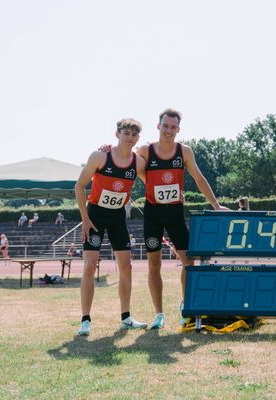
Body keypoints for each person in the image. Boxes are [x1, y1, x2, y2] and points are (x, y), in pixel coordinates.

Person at [137, 108, 229, 329]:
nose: (169, 130)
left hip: (175, 213)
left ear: (178, 129)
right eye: (165, 126)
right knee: (154, 264)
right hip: (153, 214)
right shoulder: (145, 151)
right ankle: (159, 314)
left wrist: (215, 205)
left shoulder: (184, 152)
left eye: (173, 127)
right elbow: (132, 171)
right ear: (158, 126)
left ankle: (186, 307)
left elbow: (198, 177)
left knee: (188, 261)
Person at [74, 118, 147, 337]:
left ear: (138, 138)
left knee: (126, 267)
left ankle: (126, 317)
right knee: (89, 266)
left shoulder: (138, 163)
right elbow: (79, 186)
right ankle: (85, 320)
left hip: (117, 217)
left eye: (134, 134)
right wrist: (85, 219)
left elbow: (150, 181)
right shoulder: (100, 156)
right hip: (95, 215)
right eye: (126, 133)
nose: (129, 137)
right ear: (117, 134)